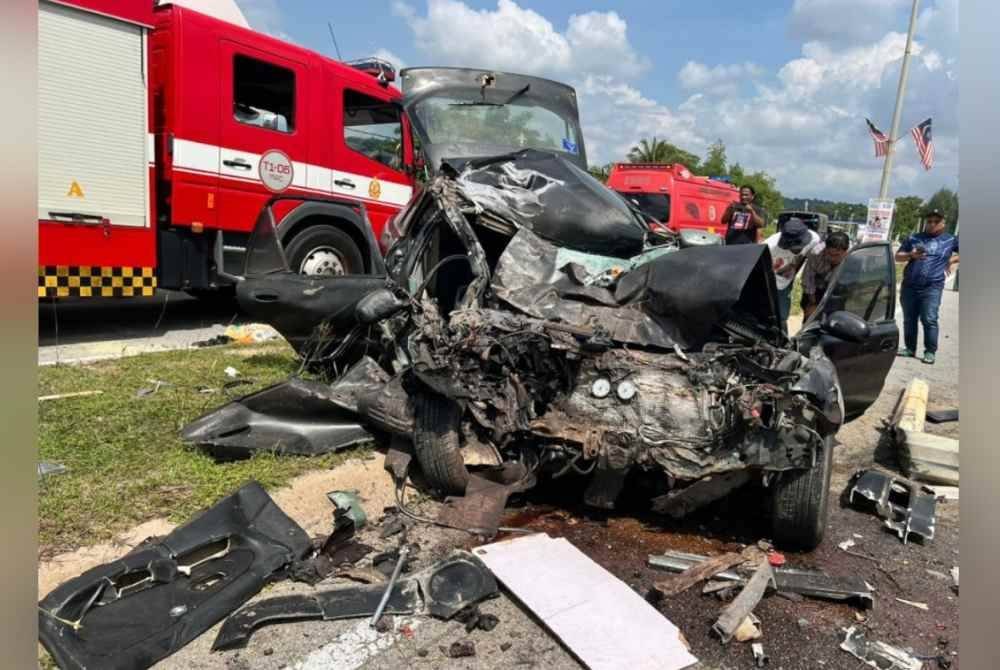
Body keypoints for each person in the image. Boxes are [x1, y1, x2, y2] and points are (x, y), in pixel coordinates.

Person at [895, 209, 959, 364]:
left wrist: (952, 259)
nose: (931, 224)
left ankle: (930, 351)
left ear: (943, 223)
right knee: (909, 319)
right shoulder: (914, 238)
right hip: (909, 286)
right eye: (929, 221)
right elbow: (897, 256)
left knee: (929, 318)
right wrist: (911, 255)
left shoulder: (951, 240)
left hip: (932, 287)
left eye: (936, 221)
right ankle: (910, 349)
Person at [764, 218, 820, 331]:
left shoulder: (814, 239)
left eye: (800, 246)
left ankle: (782, 340)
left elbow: (803, 257)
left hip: (786, 281)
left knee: (783, 315)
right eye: (794, 248)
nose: (798, 250)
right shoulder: (769, 246)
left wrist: (793, 274)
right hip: (768, 282)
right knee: (767, 315)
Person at [800, 231, 851, 321]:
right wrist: (813, 303)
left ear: (845, 252)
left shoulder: (852, 257)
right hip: (815, 290)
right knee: (810, 318)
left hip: (836, 292)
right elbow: (808, 278)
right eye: (830, 254)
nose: (832, 258)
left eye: (837, 255)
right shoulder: (816, 253)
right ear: (825, 249)